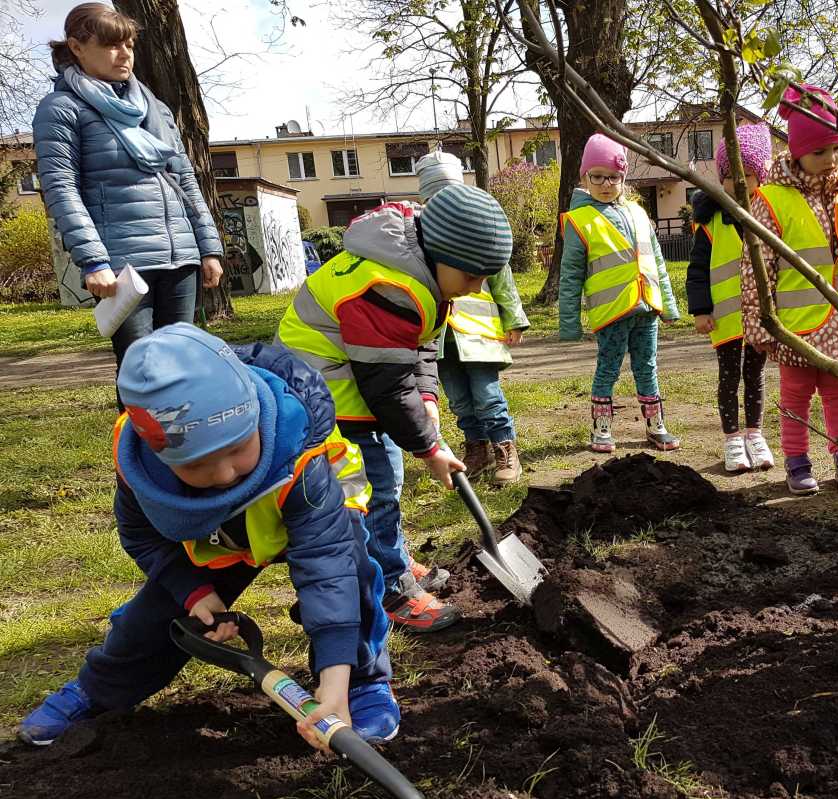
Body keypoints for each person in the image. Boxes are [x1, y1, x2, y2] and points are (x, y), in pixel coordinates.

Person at [18, 325, 399, 750]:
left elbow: (326, 567)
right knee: (154, 617)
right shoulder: (143, 472)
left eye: (237, 450)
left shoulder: (300, 454)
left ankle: (363, 681)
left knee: (353, 580)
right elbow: (143, 539)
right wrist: (194, 592)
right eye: (198, 465)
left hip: (318, 519)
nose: (224, 474)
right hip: (221, 541)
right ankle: (99, 688)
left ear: (255, 415)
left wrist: (333, 684)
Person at [276, 184, 513, 633]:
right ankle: (389, 586)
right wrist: (429, 447)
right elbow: (386, 387)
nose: (475, 289)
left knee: (385, 479)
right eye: (470, 277)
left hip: (352, 385)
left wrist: (427, 398)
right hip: (321, 395)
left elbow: (420, 346)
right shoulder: (388, 288)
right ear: (441, 253)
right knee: (376, 486)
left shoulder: (416, 272)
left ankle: (393, 556)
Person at [34, 4, 224, 395]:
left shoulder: (153, 107)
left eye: (129, 45)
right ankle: (138, 455)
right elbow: (61, 188)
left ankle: (185, 456)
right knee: (142, 375)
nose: (125, 55)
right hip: (124, 267)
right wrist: (94, 261)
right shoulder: (62, 109)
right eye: (111, 45)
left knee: (183, 368)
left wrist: (208, 248)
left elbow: (185, 178)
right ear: (77, 47)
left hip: (180, 257)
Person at [743, 85, 838, 495]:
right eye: (820, 152)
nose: (830, 159)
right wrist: (760, 325)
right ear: (797, 152)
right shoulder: (772, 198)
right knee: (795, 397)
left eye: (835, 148)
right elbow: (756, 268)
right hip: (796, 324)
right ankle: (797, 461)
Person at [559, 133, 682, 453]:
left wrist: (668, 305)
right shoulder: (579, 220)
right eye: (597, 176)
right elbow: (570, 275)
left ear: (623, 178)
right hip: (612, 312)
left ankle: (656, 426)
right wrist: (569, 323)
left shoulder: (639, 214)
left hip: (647, 308)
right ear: (584, 177)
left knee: (648, 367)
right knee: (608, 368)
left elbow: (657, 262)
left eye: (613, 177)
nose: (605, 183)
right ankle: (602, 429)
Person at [415, 151, 529, 485]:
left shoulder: (478, 227)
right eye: (436, 197)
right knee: (460, 401)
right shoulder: (422, 234)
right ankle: (476, 448)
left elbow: (501, 276)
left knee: (487, 396)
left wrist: (513, 318)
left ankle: (505, 448)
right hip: (441, 341)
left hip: (479, 337)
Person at [687, 123, 775, 473]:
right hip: (724, 318)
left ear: (761, 177)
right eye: (731, 176)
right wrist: (700, 311)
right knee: (728, 376)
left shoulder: (769, 215)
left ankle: (755, 433)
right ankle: (732, 438)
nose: (739, 184)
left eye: (748, 176)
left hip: (758, 317)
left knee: (755, 376)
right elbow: (697, 270)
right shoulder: (710, 223)